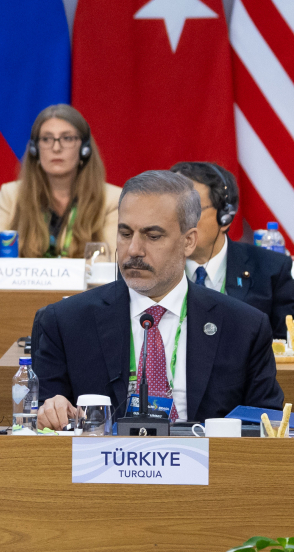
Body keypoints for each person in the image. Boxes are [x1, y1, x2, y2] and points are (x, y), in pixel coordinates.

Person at [35, 170, 282, 429]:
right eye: (125, 233)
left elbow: (267, 432)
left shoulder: (244, 327)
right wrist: (52, 409)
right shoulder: (65, 323)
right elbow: (42, 421)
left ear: (189, 241)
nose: (134, 250)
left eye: (153, 236)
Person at [0, 104, 120, 260]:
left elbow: (113, 264)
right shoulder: (11, 195)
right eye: (46, 139)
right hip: (23, 285)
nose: (56, 147)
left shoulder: (112, 200)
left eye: (67, 138)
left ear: (84, 149)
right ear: (35, 149)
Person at [170, 161, 294, 337]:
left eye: (190, 210)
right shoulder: (151, 268)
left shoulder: (271, 270)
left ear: (225, 217)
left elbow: (287, 346)